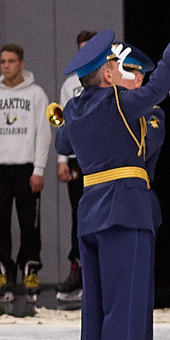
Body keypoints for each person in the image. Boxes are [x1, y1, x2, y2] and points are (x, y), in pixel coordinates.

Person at [51, 8, 170, 340]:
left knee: (96, 313)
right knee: (122, 310)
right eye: (115, 65)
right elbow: (159, 86)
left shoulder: (76, 108)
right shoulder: (117, 102)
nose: (121, 69)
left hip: (91, 211)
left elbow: (62, 141)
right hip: (125, 210)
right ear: (108, 75)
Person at [109, 45, 170, 340]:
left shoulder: (152, 114)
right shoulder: (108, 107)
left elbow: (141, 150)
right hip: (106, 202)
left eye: (129, 74)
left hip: (137, 202)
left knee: (136, 291)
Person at [0, 44, 52, 300]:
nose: (6, 66)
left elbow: (43, 134)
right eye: (3, 62)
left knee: (29, 222)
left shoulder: (36, 94)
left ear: (21, 64)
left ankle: (30, 271)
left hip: (26, 168)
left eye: (11, 61)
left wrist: (38, 169)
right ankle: (1, 273)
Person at [53, 28, 97, 300]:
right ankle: (78, 270)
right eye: (82, 49)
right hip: (76, 159)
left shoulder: (108, 79)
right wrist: (62, 161)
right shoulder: (70, 84)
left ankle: (98, 273)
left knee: (100, 214)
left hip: (102, 157)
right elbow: (63, 123)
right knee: (78, 216)